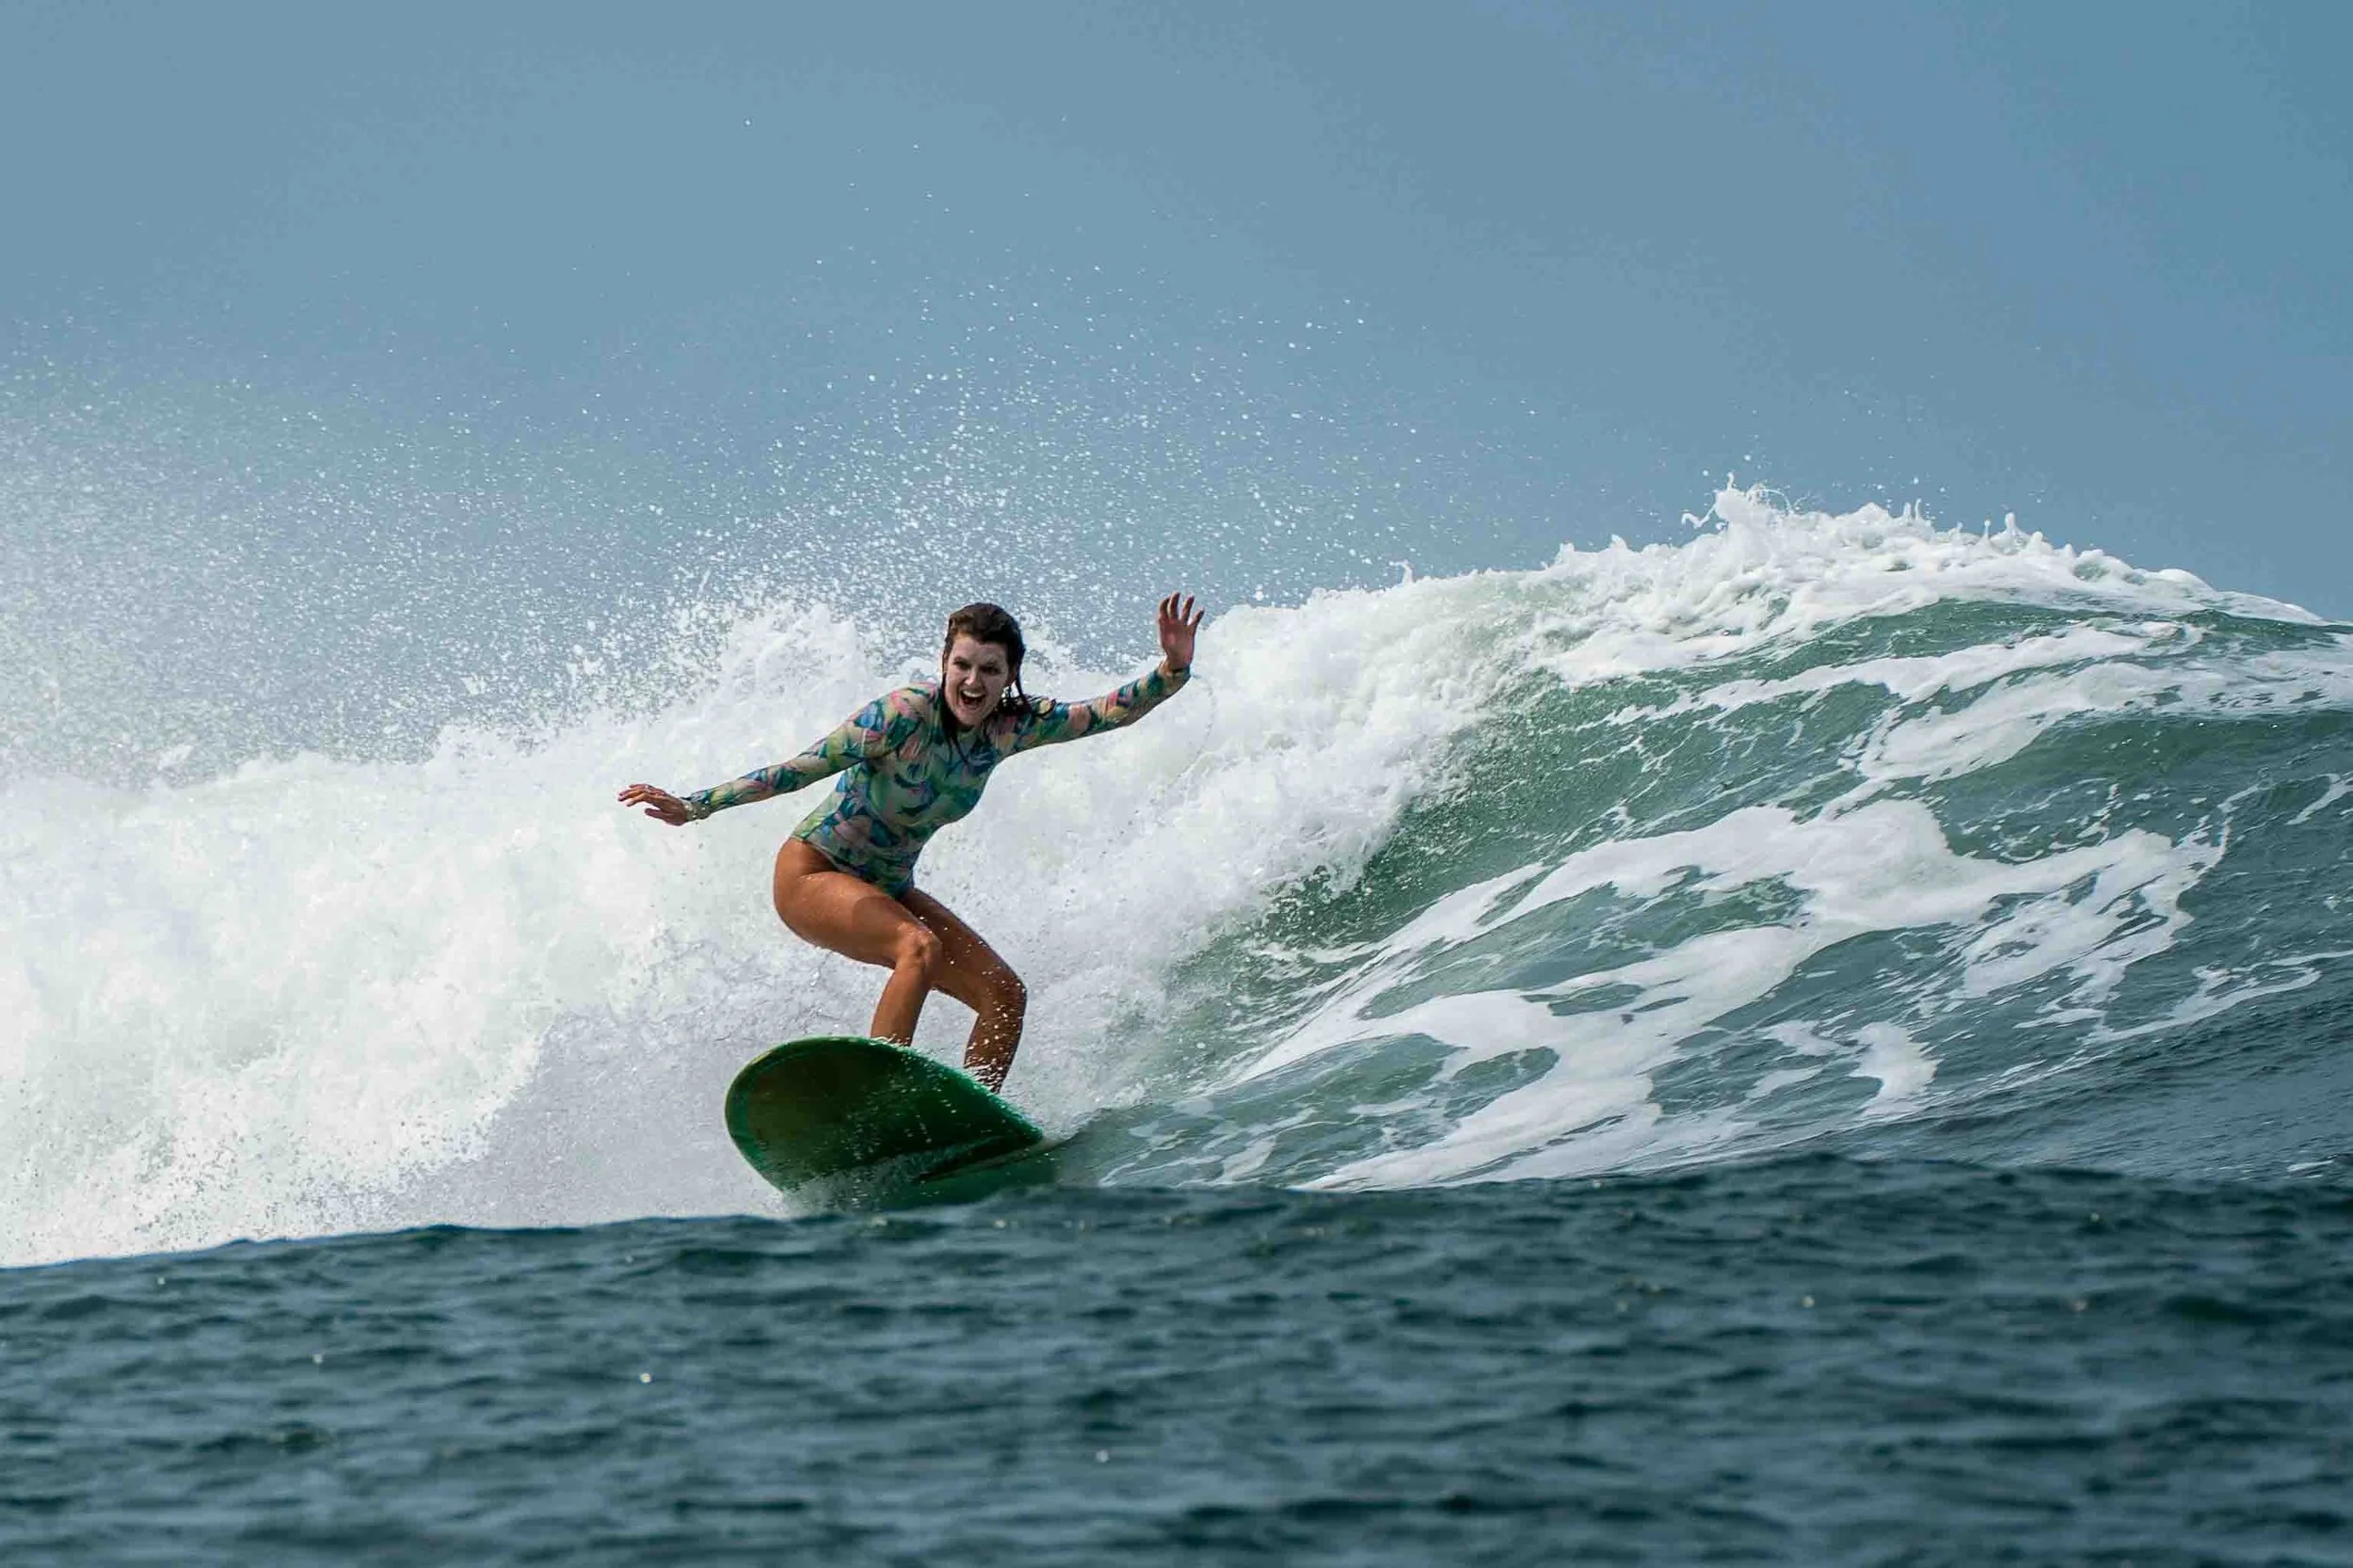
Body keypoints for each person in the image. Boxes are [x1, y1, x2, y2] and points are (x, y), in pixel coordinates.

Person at [618, 595, 1202, 1092]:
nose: (973, 682)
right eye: (963, 665)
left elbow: (1104, 714)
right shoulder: (901, 715)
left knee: (1004, 994)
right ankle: (879, 1097)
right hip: (812, 874)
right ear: (945, 661)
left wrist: (1171, 670)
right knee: (917, 948)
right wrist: (698, 805)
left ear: (1009, 677)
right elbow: (800, 768)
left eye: (990, 670)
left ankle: (972, 1117)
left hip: (889, 888)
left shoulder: (1012, 725)